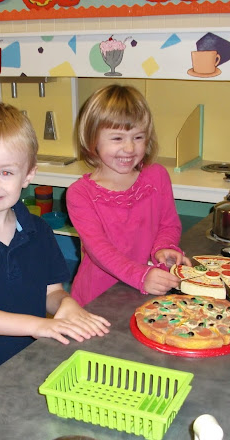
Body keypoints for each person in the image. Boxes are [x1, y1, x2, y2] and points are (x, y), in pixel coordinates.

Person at [0, 103, 110, 401]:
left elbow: (51, 292)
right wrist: (38, 325)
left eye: (5, 172)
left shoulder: (40, 232)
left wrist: (66, 305)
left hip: (30, 362)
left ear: (28, 175)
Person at [66, 84, 190, 306]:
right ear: (92, 139)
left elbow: (169, 225)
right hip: (98, 299)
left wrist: (164, 247)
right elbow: (100, 251)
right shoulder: (80, 194)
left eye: (138, 137)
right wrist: (141, 276)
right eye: (117, 138)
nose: (129, 148)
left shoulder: (157, 176)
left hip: (145, 292)